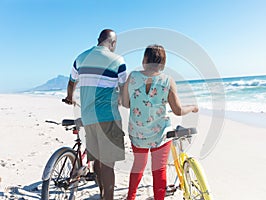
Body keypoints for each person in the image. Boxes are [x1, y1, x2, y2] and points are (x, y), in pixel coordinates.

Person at [122, 44, 198, 200]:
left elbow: (125, 103)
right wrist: (192, 107)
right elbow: (177, 110)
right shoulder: (167, 80)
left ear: (144, 59)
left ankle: (131, 197)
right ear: (163, 64)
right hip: (159, 133)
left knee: (138, 166)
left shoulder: (133, 77)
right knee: (159, 170)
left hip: (138, 132)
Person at [64, 29, 127, 200]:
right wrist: (123, 101)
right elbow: (123, 90)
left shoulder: (81, 57)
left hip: (88, 118)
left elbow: (71, 82)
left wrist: (70, 98)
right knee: (108, 165)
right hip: (108, 117)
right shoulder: (118, 60)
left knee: (97, 161)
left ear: (98, 40)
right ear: (113, 43)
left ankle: (102, 194)